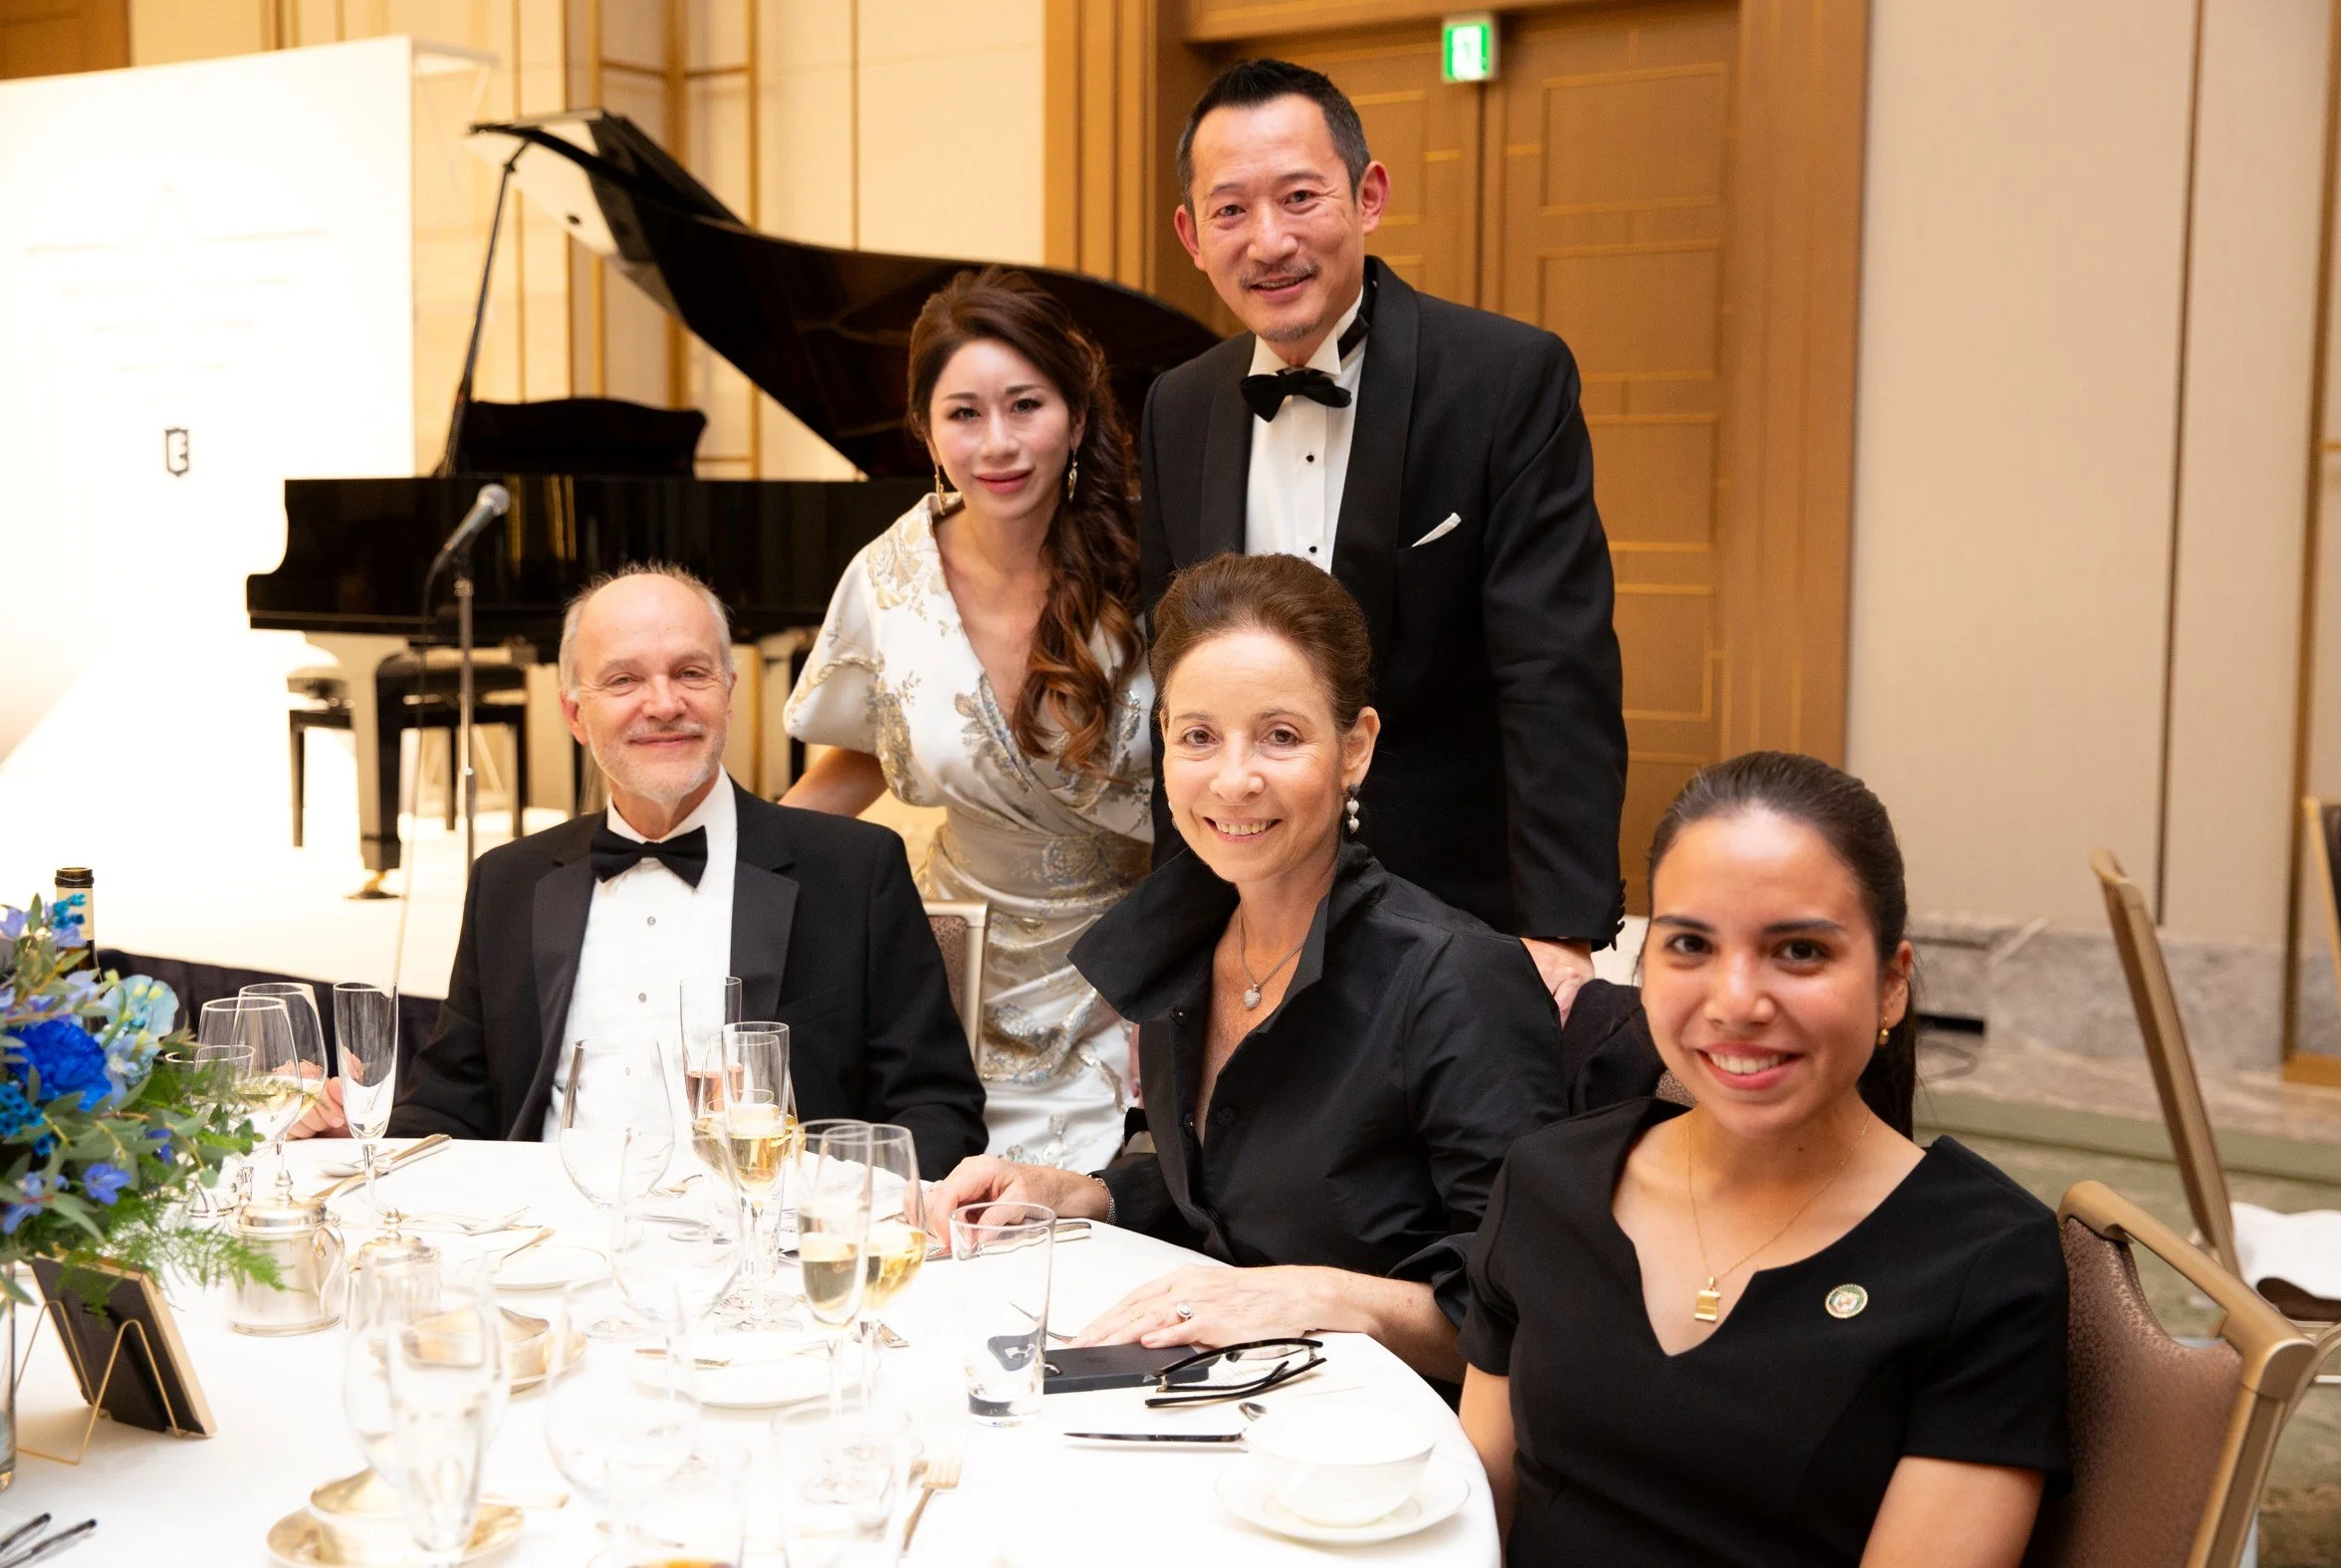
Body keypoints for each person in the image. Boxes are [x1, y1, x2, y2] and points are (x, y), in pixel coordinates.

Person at [926, 553, 1568, 1378]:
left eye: (1281, 736)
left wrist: (1321, 1295)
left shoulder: (1458, 978)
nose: (1234, 780)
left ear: (1356, 748)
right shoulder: (1189, 937)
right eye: (1199, 736)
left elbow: (1531, 1305)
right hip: (1218, 1395)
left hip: (1386, 1426)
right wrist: (1084, 1192)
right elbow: (1233, 1200)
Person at [1457, 753, 2069, 1565]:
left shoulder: (1983, 1260)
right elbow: (1472, 1514)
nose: (1737, 1001)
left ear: (1892, 982)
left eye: (1800, 951)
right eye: (1690, 944)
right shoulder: (1548, 1180)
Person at [1137, 58, 1627, 1018]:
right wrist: (1178, 935)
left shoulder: (1505, 378)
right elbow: (1177, 686)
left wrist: (1559, 929)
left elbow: (1555, 669)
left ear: (1368, 196)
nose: (1269, 240)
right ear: (1191, 236)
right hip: (1249, 911)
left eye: (1300, 197)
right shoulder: (1178, 405)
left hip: (1455, 904)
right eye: (1231, 210)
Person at [294, 562, 988, 1178]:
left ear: (728, 692)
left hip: (761, 1246)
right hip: (547, 1247)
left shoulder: (853, 871)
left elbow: (937, 1112)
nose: (663, 704)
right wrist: (353, 1132)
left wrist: (819, 1208)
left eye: (690, 673)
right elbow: (452, 1106)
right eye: (624, 679)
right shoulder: (508, 882)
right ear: (575, 713)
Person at [782, 268, 1153, 1174]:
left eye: (1026, 405)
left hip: (1135, 966)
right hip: (952, 961)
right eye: (964, 414)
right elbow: (863, 756)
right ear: (926, 430)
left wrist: (1185, 973)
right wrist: (734, 864)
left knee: (1096, 1213)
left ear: (1076, 414)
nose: (998, 443)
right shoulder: (886, 578)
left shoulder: (1150, 564)